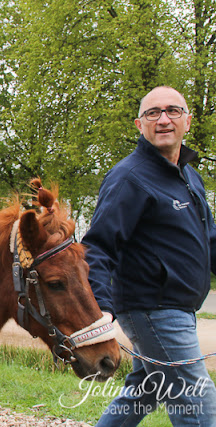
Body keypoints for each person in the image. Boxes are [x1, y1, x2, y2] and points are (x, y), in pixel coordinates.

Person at [82, 86, 216, 425]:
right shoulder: (130, 177)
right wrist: (102, 307)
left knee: (144, 392)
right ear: (139, 125)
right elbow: (97, 246)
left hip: (179, 307)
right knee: (198, 403)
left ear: (188, 121)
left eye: (172, 111)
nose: (163, 119)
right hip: (154, 308)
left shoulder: (189, 177)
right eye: (152, 113)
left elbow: (209, 239)